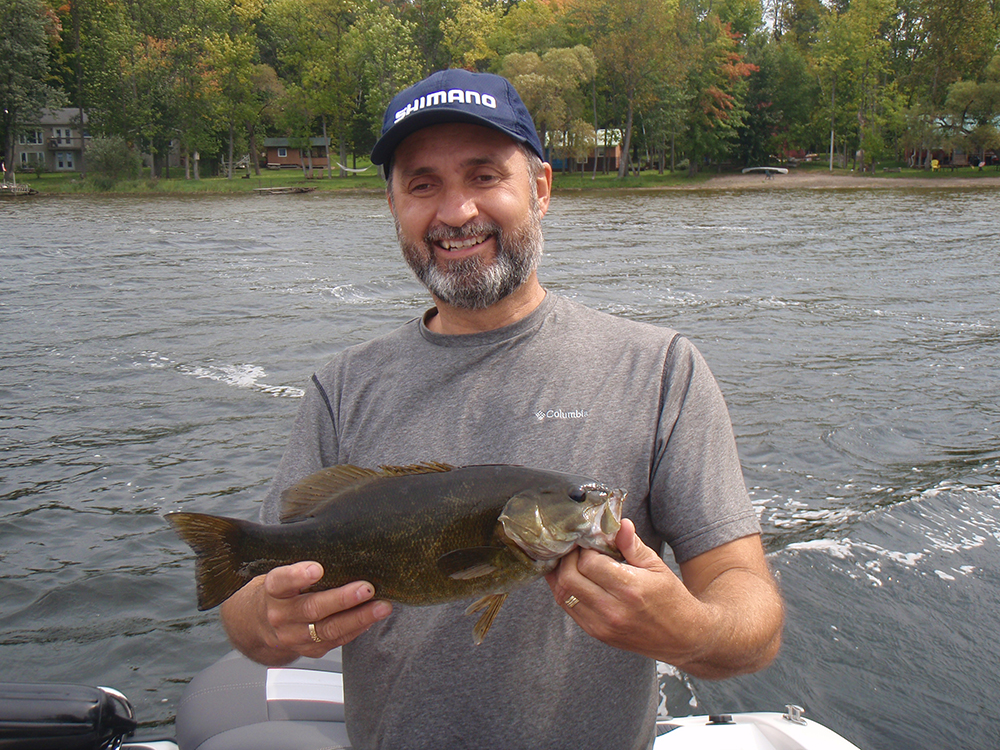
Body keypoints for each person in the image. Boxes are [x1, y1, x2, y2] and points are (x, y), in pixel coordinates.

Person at [177, 69, 783, 750]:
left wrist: (693, 631)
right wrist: (269, 622)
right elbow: (248, 609)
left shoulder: (660, 369)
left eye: (484, 175)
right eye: (422, 184)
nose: (456, 212)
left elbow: (748, 610)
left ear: (542, 189)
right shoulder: (340, 387)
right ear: (394, 207)